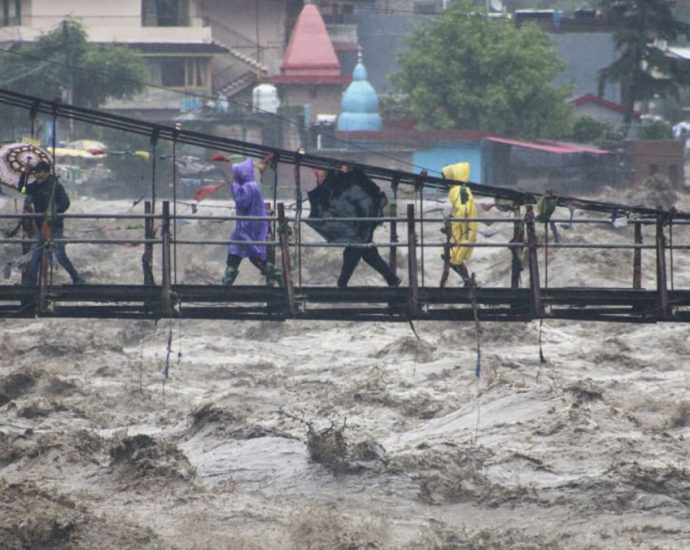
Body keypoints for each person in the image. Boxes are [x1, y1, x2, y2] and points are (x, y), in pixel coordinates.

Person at [24, 161, 85, 285]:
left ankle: (76, 278)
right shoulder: (35, 186)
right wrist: (25, 174)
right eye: (35, 172)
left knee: (59, 254)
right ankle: (31, 284)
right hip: (41, 226)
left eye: (40, 172)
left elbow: (65, 203)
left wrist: (53, 211)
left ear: (47, 173)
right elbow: (22, 188)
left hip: (55, 226)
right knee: (35, 254)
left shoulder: (55, 186)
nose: (37, 175)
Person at [222, 158, 281, 286]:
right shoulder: (250, 185)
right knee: (235, 252)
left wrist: (234, 186)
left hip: (249, 227)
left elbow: (242, 202)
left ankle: (277, 275)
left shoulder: (249, 186)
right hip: (247, 226)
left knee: (254, 255)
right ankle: (226, 283)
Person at [439, 162, 477, 288]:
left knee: (451, 256)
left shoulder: (458, 190)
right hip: (466, 229)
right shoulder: (463, 189)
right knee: (453, 257)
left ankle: (468, 282)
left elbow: (463, 209)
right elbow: (463, 209)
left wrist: (453, 224)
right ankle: (467, 281)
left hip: (464, 231)